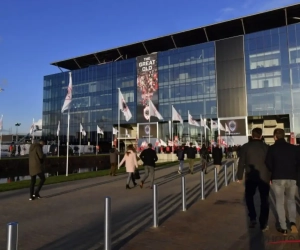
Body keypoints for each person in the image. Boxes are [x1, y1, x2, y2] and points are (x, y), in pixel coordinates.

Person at [265, 128, 300, 235]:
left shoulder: (272, 148)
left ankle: (283, 227)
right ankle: (293, 222)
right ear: (284, 136)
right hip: (292, 177)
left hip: (278, 177)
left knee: (279, 202)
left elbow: (268, 163)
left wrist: (273, 171)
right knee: (291, 200)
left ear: (275, 136)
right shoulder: (294, 148)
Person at [237, 128, 270, 231]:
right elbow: (270, 163)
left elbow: (241, 162)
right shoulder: (267, 147)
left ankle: (252, 217)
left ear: (252, 135)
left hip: (250, 176)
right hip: (264, 176)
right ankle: (263, 223)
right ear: (261, 136)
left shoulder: (246, 147)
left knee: (249, 197)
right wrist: (271, 176)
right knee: (264, 199)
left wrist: (239, 176)